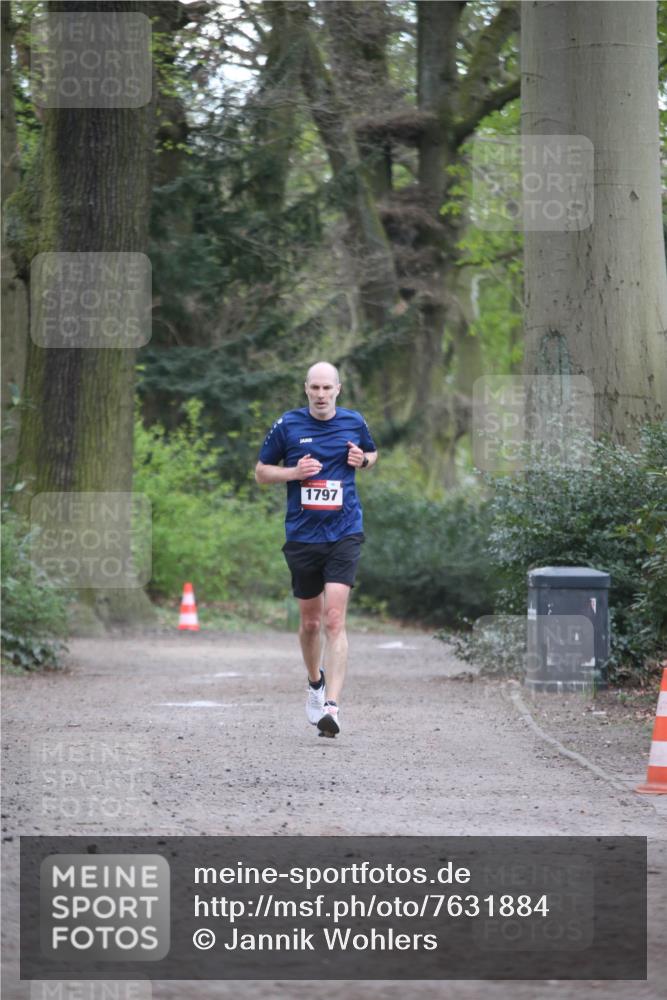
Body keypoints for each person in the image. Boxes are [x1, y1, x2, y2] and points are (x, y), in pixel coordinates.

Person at [255, 361, 377, 737]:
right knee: (310, 623)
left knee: (334, 619)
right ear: (306, 389)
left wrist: (364, 461)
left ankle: (333, 707)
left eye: (328, 388)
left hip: (344, 532)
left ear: (338, 389)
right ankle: (314, 683)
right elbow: (261, 472)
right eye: (315, 388)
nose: (321, 395)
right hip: (303, 536)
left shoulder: (354, 421)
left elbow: (371, 454)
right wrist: (294, 473)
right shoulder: (288, 425)